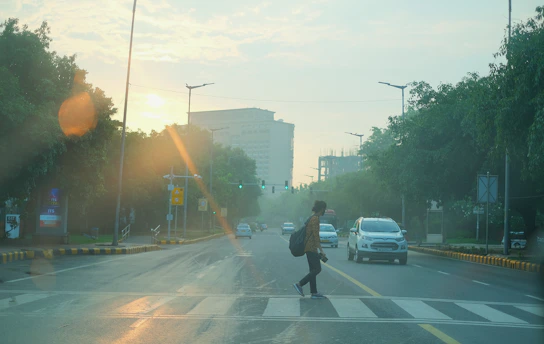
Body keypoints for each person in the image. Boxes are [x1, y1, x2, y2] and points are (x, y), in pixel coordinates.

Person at [293, 200, 327, 299]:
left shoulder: (311, 218)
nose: (324, 211)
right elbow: (316, 236)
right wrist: (321, 250)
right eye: (324, 209)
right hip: (311, 248)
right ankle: (299, 284)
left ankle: (314, 292)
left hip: (308, 247)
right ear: (322, 209)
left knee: (313, 270)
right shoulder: (315, 219)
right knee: (317, 269)